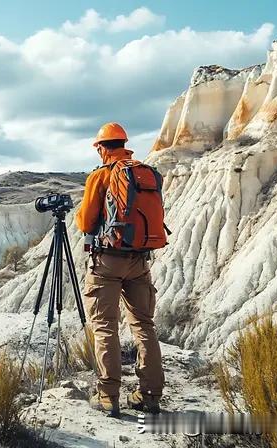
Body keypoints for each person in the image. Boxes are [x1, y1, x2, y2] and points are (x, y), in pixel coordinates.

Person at [75, 122, 165, 417]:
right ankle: (150, 396)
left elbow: (86, 223)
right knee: (144, 326)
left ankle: (108, 396)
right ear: (124, 143)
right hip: (140, 261)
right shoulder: (145, 173)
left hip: (107, 262)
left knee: (105, 327)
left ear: (102, 147)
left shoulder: (101, 176)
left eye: (98, 147)